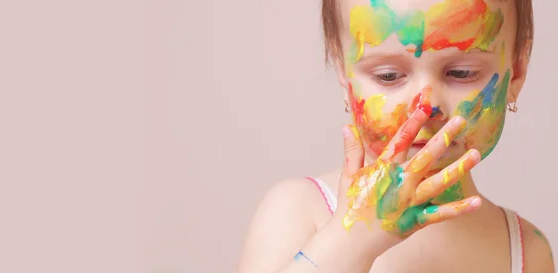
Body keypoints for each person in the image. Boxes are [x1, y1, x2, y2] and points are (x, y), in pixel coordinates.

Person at [237, 0, 555, 272]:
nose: (426, 105)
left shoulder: (527, 250)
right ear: (342, 72)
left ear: (518, 69)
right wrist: (351, 242)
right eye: (388, 76)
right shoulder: (298, 212)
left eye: (462, 73)